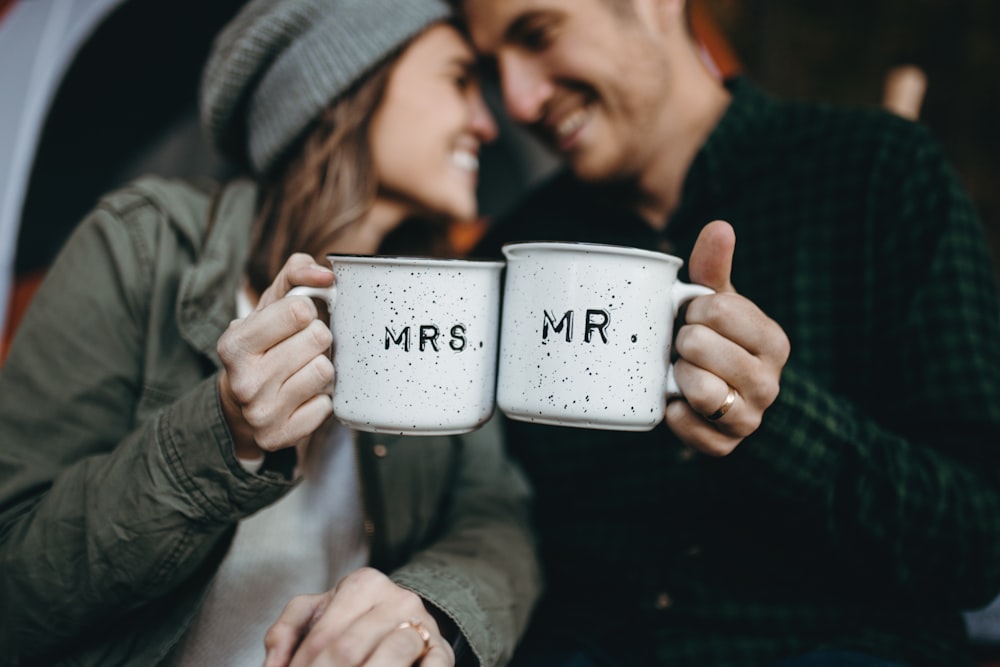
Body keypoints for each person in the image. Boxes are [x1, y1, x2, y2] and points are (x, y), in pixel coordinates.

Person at [454, 0, 1000, 665]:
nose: (517, 99)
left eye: (538, 34)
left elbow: (979, 542)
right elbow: (488, 511)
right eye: (492, 69)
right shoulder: (513, 252)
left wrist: (777, 419)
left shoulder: (883, 174)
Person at [0, 0, 541, 665]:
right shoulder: (140, 246)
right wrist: (222, 436)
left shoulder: (443, 294)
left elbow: (496, 517)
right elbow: (14, 589)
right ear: (348, 81)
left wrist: (430, 610)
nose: (488, 121)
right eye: (459, 79)